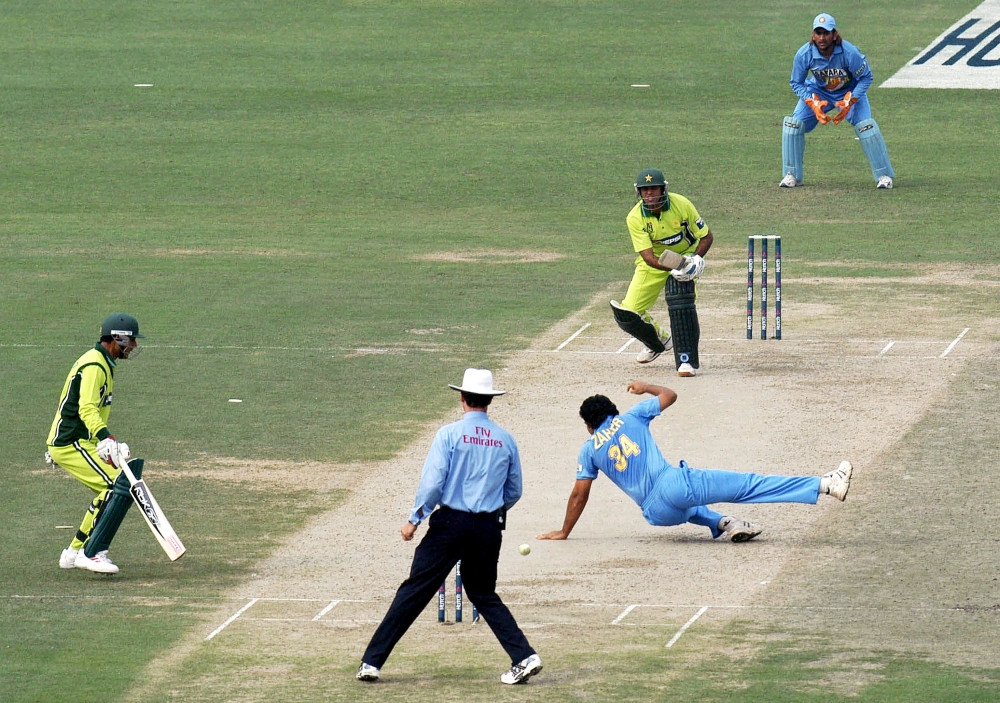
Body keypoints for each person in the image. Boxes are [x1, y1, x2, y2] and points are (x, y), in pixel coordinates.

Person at [357, 369, 542, 686]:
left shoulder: (449, 434)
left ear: (462, 398)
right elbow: (514, 491)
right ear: (489, 401)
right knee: (483, 593)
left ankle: (372, 662)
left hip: (451, 525)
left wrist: (414, 519)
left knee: (415, 590)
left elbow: (432, 484)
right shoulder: (506, 440)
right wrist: (490, 511)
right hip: (488, 527)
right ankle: (524, 656)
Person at [537, 380, 853, 544]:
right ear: (613, 412)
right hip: (672, 485)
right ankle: (827, 484)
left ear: (589, 425)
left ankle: (725, 524)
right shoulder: (631, 416)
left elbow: (580, 494)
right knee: (747, 486)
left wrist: (564, 531)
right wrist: (645, 387)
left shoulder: (588, 449)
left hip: (656, 514)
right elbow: (670, 395)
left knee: (690, 509)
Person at [46, 313, 147, 574]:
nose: (133, 346)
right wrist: (106, 438)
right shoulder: (94, 366)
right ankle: (89, 553)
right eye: (131, 341)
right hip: (71, 442)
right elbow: (87, 408)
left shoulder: (102, 363)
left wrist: (106, 445)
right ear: (117, 338)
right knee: (115, 486)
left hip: (79, 442)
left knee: (117, 486)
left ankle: (75, 552)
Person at [610, 168, 713, 378]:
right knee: (628, 313)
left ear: (663, 189)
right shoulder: (635, 217)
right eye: (645, 190)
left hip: (686, 256)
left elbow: (706, 237)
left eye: (653, 189)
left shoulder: (681, 204)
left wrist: (695, 260)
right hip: (655, 263)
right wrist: (675, 267)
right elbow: (648, 257)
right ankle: (657, 342)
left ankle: (687, 361)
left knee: (681, 305)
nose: (649, 194)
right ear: (639, 192)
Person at [780, 13, 895, 189]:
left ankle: (884, 176)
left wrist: (851, 99)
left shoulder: (849, 53)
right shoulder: (804, 54)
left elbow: (866, 77)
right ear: (813, 35)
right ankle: (792, 175)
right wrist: (812, 102)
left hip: (848, 92)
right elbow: (796, 82)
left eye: (826, 33)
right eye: (818, 33)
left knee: (867, 127)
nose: (822, 38)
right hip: (819, 93)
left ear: (834, 35)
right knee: (793, 125)